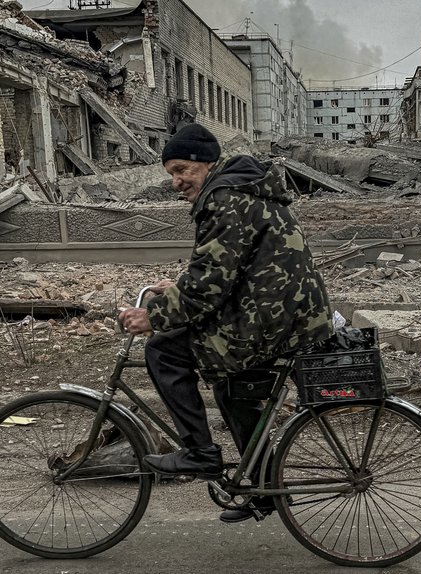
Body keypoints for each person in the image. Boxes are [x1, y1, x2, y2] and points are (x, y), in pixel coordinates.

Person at [118, 123, 332, 523]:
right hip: (287, 313)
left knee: (164, 350)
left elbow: (211, 282)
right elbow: (227, 267)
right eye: (171, 174)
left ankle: (199, 453)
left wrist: (155, 316)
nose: (176, 182)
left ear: (206, 163)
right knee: (231, 386)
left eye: (182, 170)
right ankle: (263, 489)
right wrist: (178, 287)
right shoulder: (241, 190)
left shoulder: (225, 197)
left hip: (271, 318)